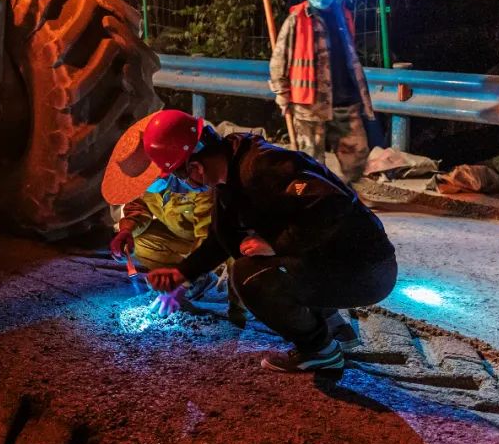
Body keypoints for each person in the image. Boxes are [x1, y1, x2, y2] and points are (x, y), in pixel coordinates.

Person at [143, 122, 397, 372]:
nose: (184, 182)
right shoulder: (230, 173)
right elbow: (222, 239)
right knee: (249, 257)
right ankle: (327, 321)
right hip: (335, 258)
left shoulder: (261, 167)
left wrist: (276, 244)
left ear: (195, 167)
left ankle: (320, 350)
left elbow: (332, 207)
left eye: (179, 174)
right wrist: (182, 273)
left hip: (367, 268)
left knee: (250, 275)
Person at [102, 110, 237, 318]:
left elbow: (208, 235)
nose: (146, 188)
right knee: (141, 242)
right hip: (183, 238)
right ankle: (193, 274)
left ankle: (212, 281)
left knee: (234, 260)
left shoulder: (199, 181)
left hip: (217, 242)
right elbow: (138, 207)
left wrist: (183, 282)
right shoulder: (149, 186)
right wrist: (126, 231)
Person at [269, 0, 375, 183]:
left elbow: (350, 55)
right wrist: (281, 93)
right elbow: (279, 60)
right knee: (310, 161)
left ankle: (347, 194)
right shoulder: (296, 19)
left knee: (356, 153)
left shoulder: (344, 16)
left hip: (345, 99)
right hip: (309, 103)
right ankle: (305, 199)